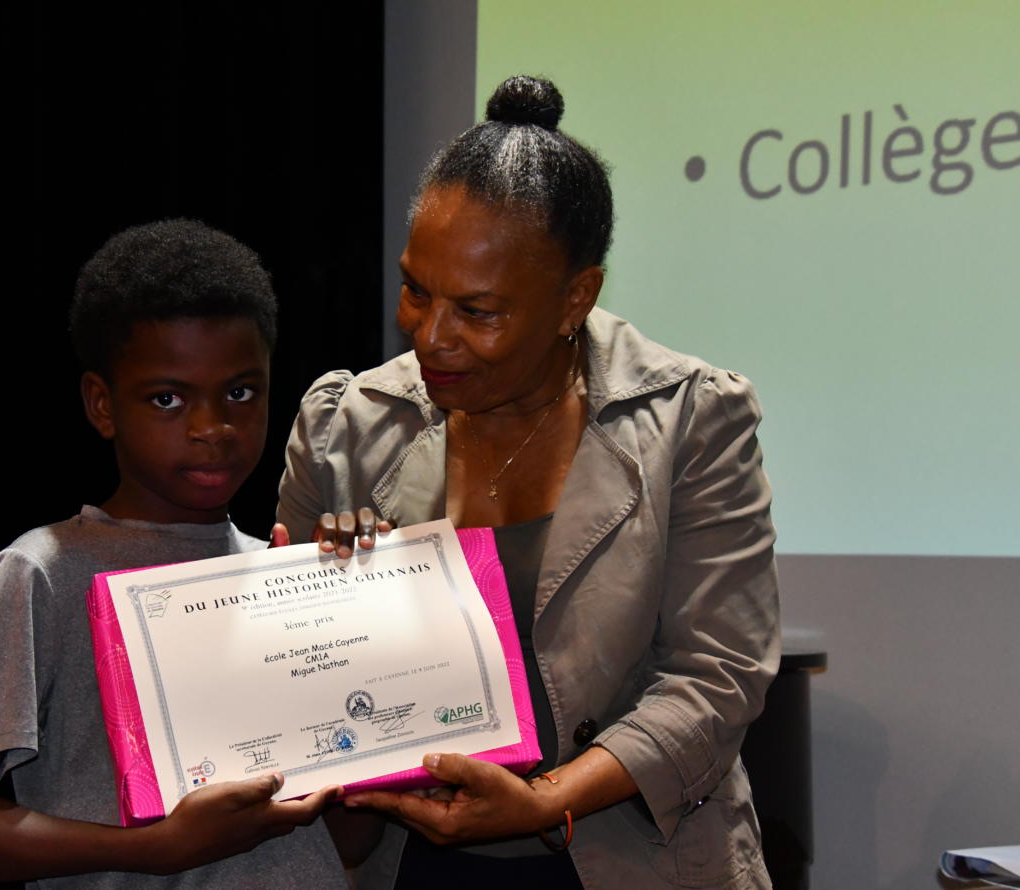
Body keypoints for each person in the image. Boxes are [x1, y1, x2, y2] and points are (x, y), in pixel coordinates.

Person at [276, 75, 780, 890]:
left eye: (477, 312)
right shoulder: (347, 423)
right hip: (408, 866)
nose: (429, 336)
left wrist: (544, 801)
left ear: (575, 297)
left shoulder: (689, 418)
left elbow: (716, 676)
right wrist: (307, 606)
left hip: (627, 860)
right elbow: (298, 687)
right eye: (415, 290)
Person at [0, 219, 351, 889]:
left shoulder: (284, 573)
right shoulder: (45, 572)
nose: (213, 428)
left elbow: (351, 836)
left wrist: (363, 606)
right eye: (168, 399)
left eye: (240, 392)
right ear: (102, 405)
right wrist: (155, 848)